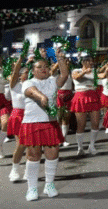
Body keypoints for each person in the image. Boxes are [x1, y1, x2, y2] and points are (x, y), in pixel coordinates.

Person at [20, 49, 71, 201]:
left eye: (45, 66)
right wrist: (41, 96)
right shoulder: (28, 82)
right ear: (33, 71)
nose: (43, 68)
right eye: (39, 67)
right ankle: (32, 188)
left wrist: (60, 58)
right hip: (32, 123)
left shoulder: (52, 81)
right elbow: (31, 92)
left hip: (50, 122)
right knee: (33, 155)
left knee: (53, 153)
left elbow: (64, 75)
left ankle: (49, 185)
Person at [70, 55, 101, 155]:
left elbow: (102, 76)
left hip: (92, 96)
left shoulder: (94, 71)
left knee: (96, 123)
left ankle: (92, 146)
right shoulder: (76, 70)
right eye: (89, 61)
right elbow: (76, 77)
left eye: (92, 61)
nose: (91, 63)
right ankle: (80, 148)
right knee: (81, 124)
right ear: (83, 62)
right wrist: (84, 72)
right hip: (80, 96)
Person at [7, 60, 29, 182]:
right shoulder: (15, 85)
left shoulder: (33, 85)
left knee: (32, 145)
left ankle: (28, 170)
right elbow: (14, 72)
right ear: (20, 74)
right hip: (18, 115)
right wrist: (20, 60)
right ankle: (14, 170)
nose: (28, 73)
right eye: (26, 72)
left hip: (32, 115)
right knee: (21, 144)